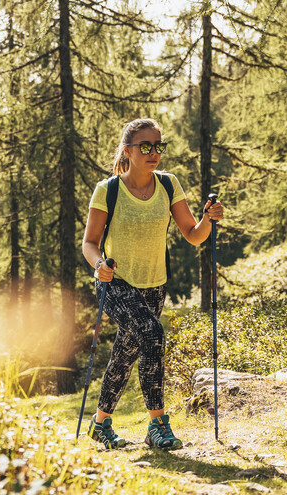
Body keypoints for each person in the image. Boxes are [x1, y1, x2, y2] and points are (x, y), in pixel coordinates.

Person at [81, 118, 225, 450]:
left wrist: (208, 218)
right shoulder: (108, 190)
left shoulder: (169, 184)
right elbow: (89, 243)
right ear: (127, 151)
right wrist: (99, 265)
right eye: (145, 146)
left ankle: (100, 424)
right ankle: (157, 425)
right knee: (151, 333)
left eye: (158, 146)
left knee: (126, 351)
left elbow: (193, 235)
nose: (153, 153)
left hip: (154, 286)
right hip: (114, 281)